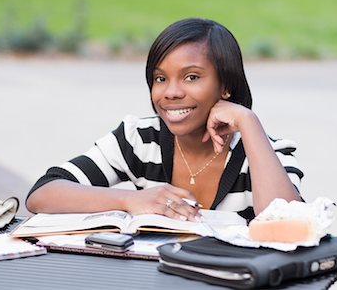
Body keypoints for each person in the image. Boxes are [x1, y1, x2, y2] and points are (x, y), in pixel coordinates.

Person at [26, 17, 303, 222]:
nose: (170, 92)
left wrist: (248, 121)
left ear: (225, 86)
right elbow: (43, 193)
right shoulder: (139, 139)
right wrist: (131, 200)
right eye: (160, 78)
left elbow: (288, 223)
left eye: (191, 77)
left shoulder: (265, 153)